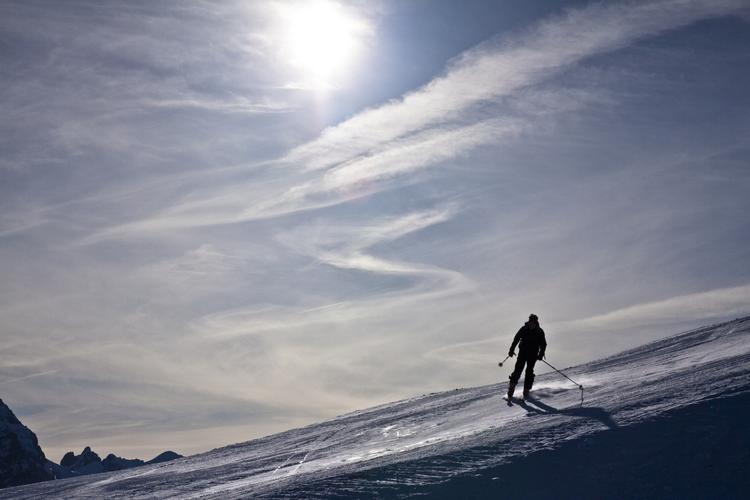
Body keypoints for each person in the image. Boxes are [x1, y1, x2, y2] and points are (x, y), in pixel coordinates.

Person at [507, 313, 547, 400]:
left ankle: (526, 391)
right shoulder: (523, 329)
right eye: (530, 321)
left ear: (536, 322)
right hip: (523, 353)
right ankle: (511, 389)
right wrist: (511, 350)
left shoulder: (539, 331)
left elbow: (543, 344)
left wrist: (541, 354)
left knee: (529, 371)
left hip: (533, 355)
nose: (531, 323)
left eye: (532, 322)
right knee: (518, 370)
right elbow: (516, 339)